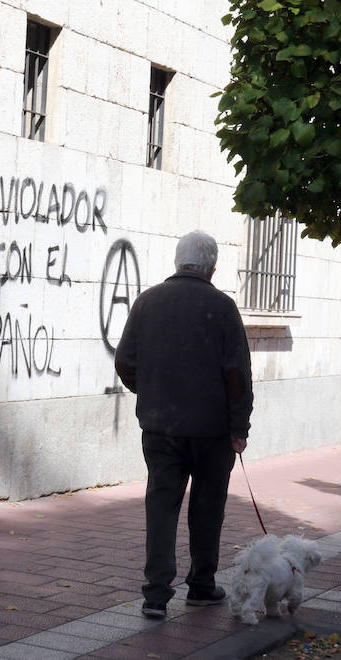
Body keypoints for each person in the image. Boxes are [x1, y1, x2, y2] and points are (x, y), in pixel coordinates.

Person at [114, 230, 253, 619]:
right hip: (211, 431)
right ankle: (202, 586)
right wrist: (239, 427)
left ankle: (155, 596)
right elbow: (237, 374)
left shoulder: (147, 302)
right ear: (211, 266)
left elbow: (124, 361)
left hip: (160, 427)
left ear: (178, 261)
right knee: (207, 510)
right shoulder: (222, 307)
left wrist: (149, 390)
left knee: (160, 507)